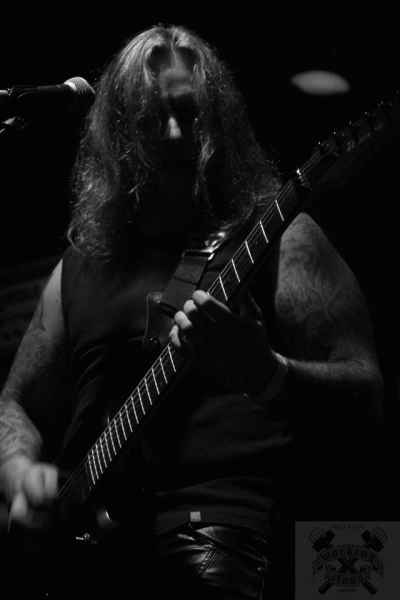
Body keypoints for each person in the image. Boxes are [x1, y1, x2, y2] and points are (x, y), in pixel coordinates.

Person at [0, 25, 382, 599]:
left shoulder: (281, 234)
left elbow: (367, 397)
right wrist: (20, 472)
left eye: (191, 113)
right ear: (118, 131)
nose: (176, 134)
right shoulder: (80, 263)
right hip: (88, 558)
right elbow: (15, 403)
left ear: (219, 121)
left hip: (222, 534)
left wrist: (267, 372)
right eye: (152, 117)